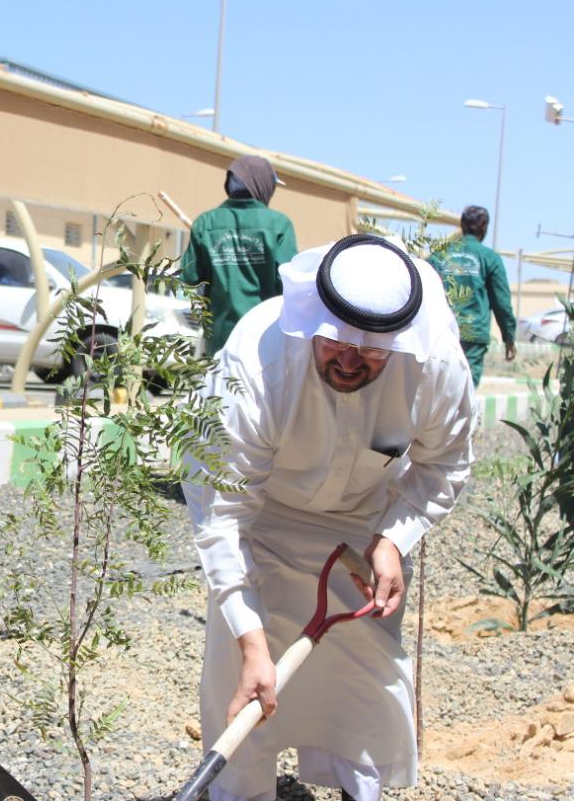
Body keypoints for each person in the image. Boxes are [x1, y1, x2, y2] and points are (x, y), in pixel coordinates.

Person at [183, 234, 474, 801]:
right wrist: (251, 644)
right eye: (335, 343)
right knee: (239, 683)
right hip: (259, 520)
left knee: (365, 684)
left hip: (361, 531)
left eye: (370, 354)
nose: (347, 361)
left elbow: (446, 465)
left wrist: (394, 538)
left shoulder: (434, 365)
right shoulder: (257, 362)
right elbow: (221, 514)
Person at [180, 155, 298, 355]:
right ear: (261, 185)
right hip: (264, 340)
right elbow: (290, 283)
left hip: (219, 341)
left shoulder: (205, 223)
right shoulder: (279, 225)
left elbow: (190, 278)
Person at [429, 205, 517, 386]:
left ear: (462, 224)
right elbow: (502, 303)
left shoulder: (438, 256)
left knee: (436, 387)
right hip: (472, 337)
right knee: (464, 390)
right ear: (484, 227)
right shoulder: (489, 258)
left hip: (439, 334)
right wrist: (509, 338)